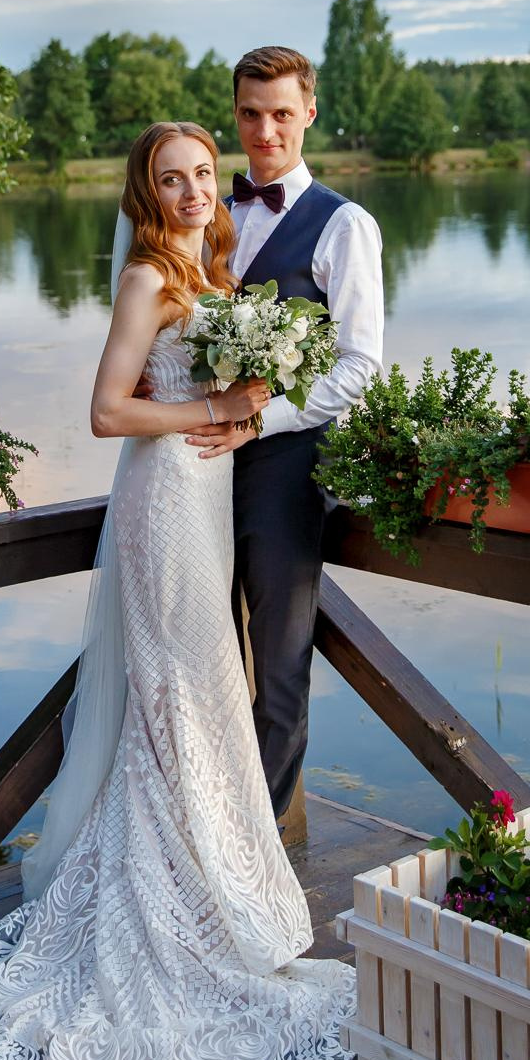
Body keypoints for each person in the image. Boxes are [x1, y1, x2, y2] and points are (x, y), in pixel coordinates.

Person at [0, 121, 354, 1060]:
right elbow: (103, 410)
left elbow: (231, 395)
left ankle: (204, 879)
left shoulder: (210, 268)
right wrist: (211, 406)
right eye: (171, 179)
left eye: (202, 176)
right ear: (143, 190)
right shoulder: (146, 280)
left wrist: (253, 400)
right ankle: (171, 903)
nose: (190, 190)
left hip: (206, 496)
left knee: (199, 692)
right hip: (164, 502)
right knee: (182, 692)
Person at [199, 46, 383, 826]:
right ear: (235, 115)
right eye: (250, 113)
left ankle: (262, 857)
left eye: (281, 113)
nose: (265, 130)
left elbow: (361, 368)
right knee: (191, 661)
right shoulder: (206, 213)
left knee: (277, 674)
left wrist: (257, 420)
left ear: (308, 113)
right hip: (194, 471)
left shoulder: (344, 224)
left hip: (286, 473)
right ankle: (199, 829)